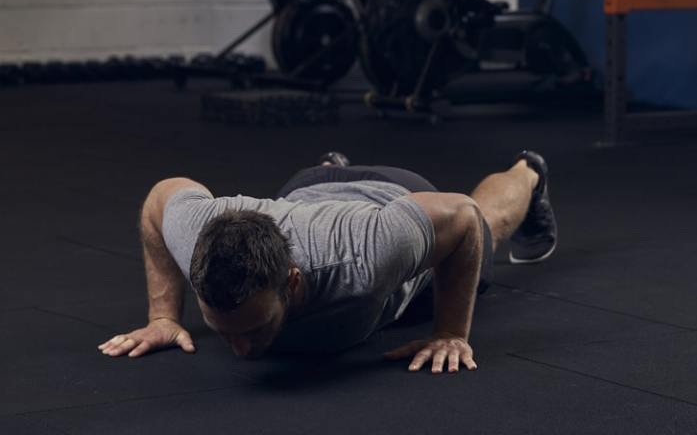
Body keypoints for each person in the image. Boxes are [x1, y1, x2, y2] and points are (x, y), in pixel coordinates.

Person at [98, 149, 557, 375]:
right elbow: (162, 195)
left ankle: (528, 170)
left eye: (254, 331)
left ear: (293, 282)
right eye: (225, 332)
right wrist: (162, 316)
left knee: (486, 221)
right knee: (305, 191)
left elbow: (459, 216)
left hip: (390, 193)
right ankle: (332, 164)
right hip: (310, 185)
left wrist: (451, 333)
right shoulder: (194, 234)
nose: (241, 351)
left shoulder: (367, 257)